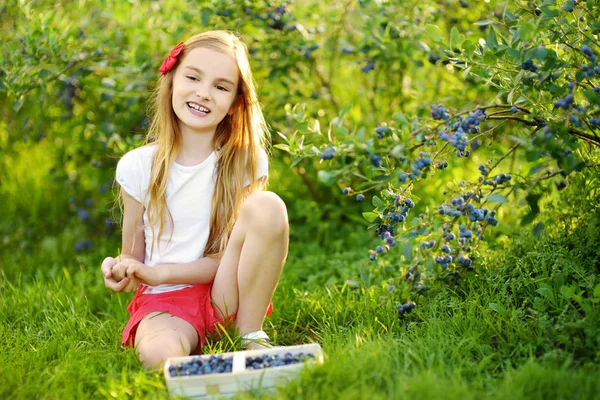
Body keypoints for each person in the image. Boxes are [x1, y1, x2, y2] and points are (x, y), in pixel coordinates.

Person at [100, 30, 290, 370]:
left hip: (226, 293)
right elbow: (133, 255)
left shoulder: (245, 162)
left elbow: (228, 257)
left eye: (220, 86)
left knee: (269, 206)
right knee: (159, 355)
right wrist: (122, 268)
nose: (203, 93)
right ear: (172, 80)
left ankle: (249, 337)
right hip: (166, 302)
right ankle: (190, 350)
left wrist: (159, 273)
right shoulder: (138, 166)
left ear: (235, 104)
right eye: (193, 77)